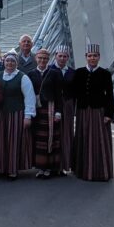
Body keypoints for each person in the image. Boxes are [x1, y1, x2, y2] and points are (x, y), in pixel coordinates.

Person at [71, 44, 114, 181]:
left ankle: (100, 171)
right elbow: (73, 93)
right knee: (83, 138)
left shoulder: (105, 73)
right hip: (83, 111)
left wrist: (108, 114)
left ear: (99, 57)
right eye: (90, 56)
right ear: (86, 57)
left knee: (99, 140)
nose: (92, 58)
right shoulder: (79, 72)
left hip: (98, 111)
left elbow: (109, 95)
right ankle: (82, 170)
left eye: (95, 56)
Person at [0, 51, 35, 180]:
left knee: (13, 141)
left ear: (16, 63)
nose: (10, 63)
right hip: (1, 113)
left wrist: (28, 116)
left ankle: (12, 169)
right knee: (1, 141)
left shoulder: (22, 77)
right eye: (7, 61)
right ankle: (2, 167)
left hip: (16, 113)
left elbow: (29, 97)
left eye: (12, 61)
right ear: (4, 62)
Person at [28, 49, 63, 179]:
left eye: (45, 58)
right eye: (40, 58)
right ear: (36, 58)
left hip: (50, 108)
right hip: (36, 110)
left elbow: (59, 94)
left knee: (50, 138)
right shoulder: (31, 74)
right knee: (38, 138)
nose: (42, 60)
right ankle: (40, 167)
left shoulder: (55, 73)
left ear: (48, 59)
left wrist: (58, 112)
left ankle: (49, 167)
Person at [50, 45, 75, 174]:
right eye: (60, 56)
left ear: (68, 58)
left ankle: (64, 164)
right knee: (54, 133)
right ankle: (52, 164)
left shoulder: (72, 72)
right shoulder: (50, 69)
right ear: (55, 56)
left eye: (65, 56)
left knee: (66, 133)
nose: (62, 58)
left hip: (67, 105)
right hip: (53, 104)